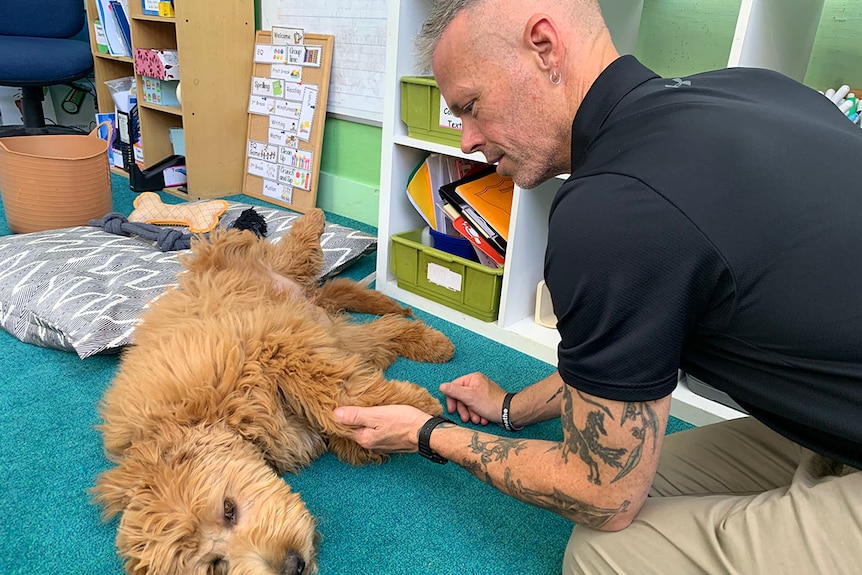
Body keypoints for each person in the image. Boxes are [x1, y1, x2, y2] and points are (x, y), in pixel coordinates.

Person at [333, 0, 862, 572]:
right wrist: (511, 409)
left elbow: (603, 496)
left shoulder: (612, 208)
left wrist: (428, 434)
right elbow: (628, 355)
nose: (467, 140)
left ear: (544, 47)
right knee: (650, 480)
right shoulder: (753, 89)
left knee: (603, 551)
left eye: (471, 107)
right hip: (831, 422)